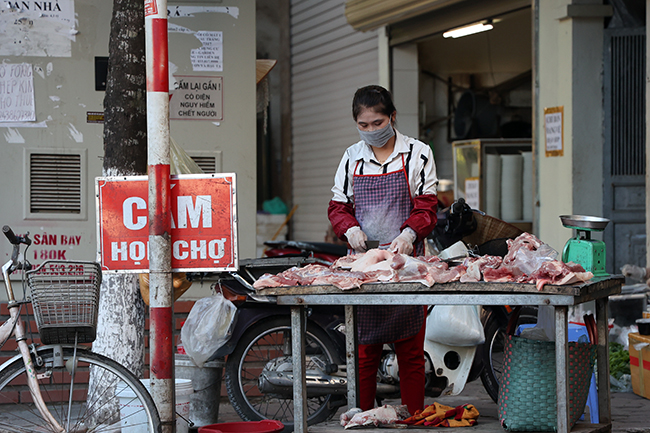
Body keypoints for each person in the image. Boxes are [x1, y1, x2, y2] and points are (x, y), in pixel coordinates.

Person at [327, 85, 439, 415]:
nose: (372, 131)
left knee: (410, 354)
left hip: (407, 269)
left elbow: (428, 206)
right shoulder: (352, 158)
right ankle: (363, 419)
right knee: (364, 354)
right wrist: (349, 229)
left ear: (392, 117)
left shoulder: (417, 153)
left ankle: (414, 419)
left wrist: (408, 234)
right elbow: (338, 205)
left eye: (378, 123)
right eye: (364, 125)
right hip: (365, 271)